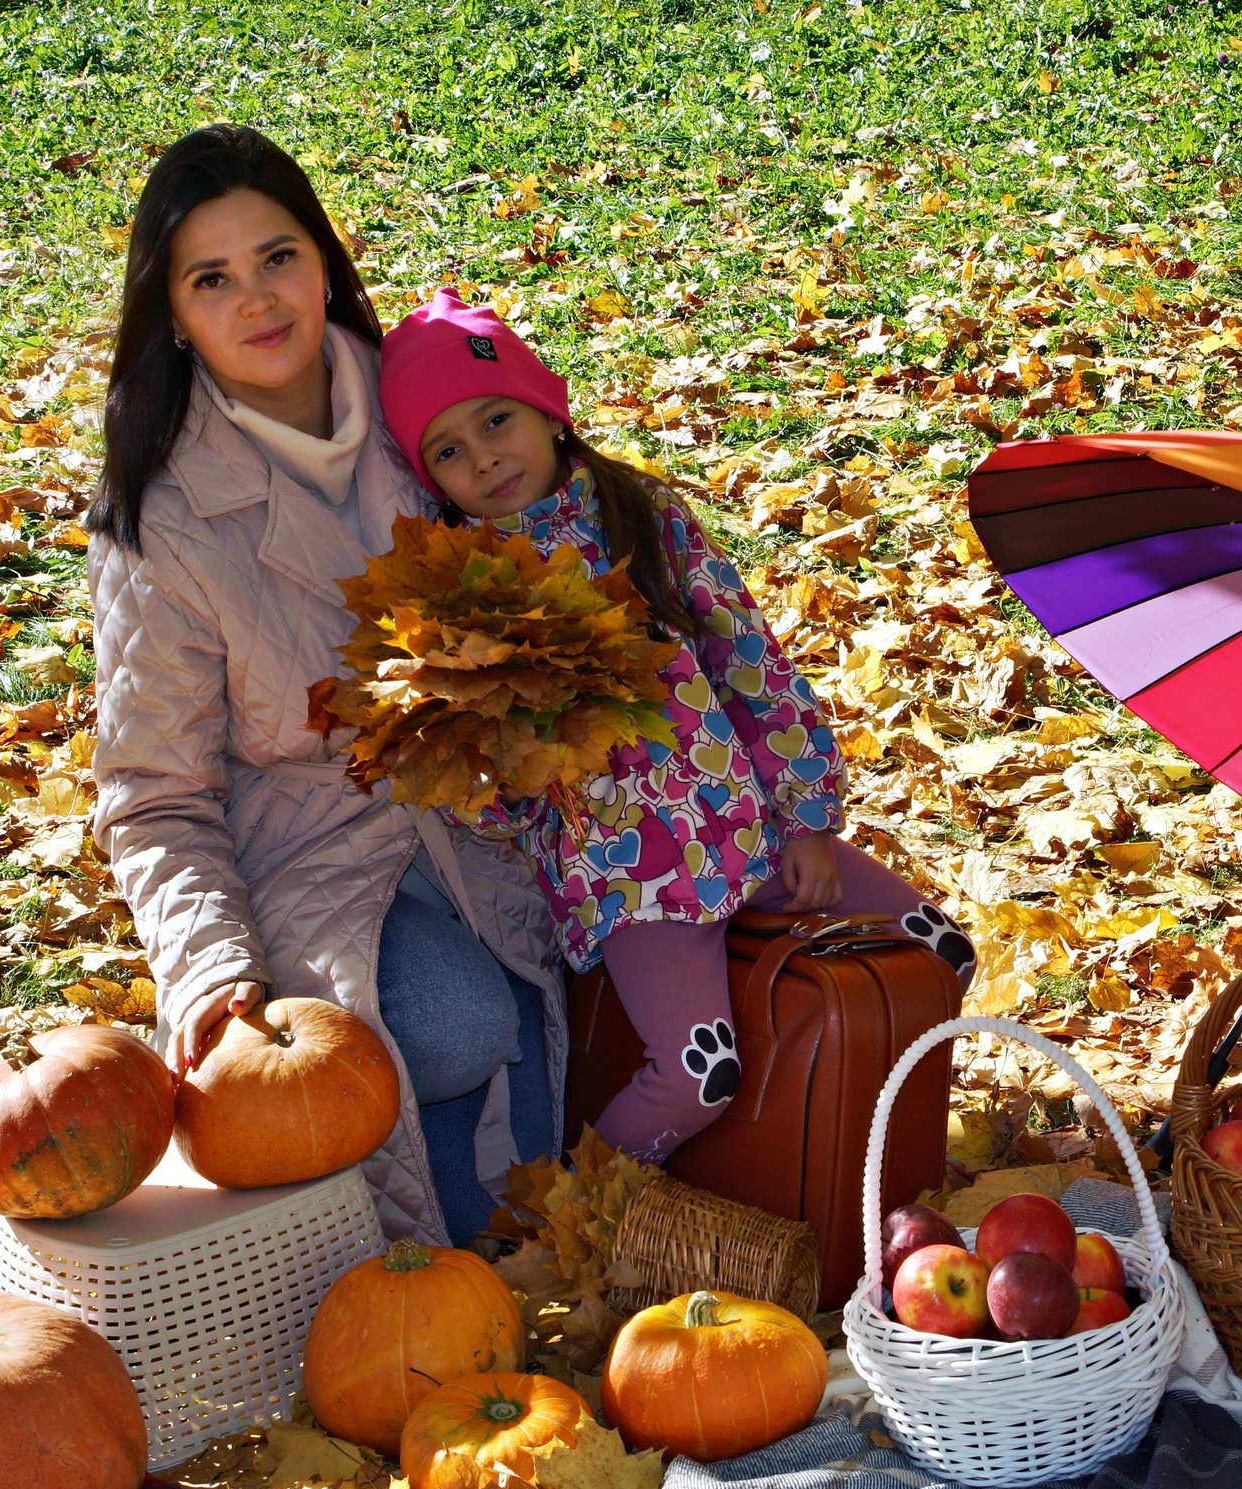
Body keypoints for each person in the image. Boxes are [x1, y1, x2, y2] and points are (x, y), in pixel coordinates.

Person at [84, 126, 561, 1245]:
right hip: (314, 857)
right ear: (174, 315)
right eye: (213, 279)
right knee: (451, 1024)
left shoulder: (419, 406)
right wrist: (210, 965)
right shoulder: (164, 524)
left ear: (323, 259)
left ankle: (548, 1247)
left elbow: (558, 524)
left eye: (278, 257)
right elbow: (152, 793)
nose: (258, 301)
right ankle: (425, 1284)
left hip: (489, 806)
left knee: (594, 974)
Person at [375, 293, 978, 1159]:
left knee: (938, 951)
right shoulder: (468, 594)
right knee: (699, 1071)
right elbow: (487, 793)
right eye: (449, 451)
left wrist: (805, 816)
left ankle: (868, 1146)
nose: (485, 457)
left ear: (546, 407)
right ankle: (581, 1209)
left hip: (747, 829)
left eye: (496, 418)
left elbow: (750, 664)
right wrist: (499, 767)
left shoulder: (643, 520)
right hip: (631, 881)